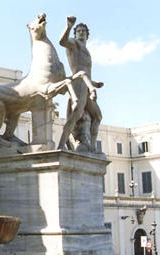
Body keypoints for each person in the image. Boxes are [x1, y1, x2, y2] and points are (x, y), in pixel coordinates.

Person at [58, 16, 103, 153]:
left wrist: (94, 84)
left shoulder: (86, 50)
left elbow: (86, 71)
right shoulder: (74, 44)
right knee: (76, 115)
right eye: (79, 31)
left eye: (84, 31)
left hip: (87, 86)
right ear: (75, 34)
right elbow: (62, 41)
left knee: (98, 116)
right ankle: (61, 144)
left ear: (87, 35)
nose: (82, 33)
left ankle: (93, 147)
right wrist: (69, 26)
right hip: (78, 84)